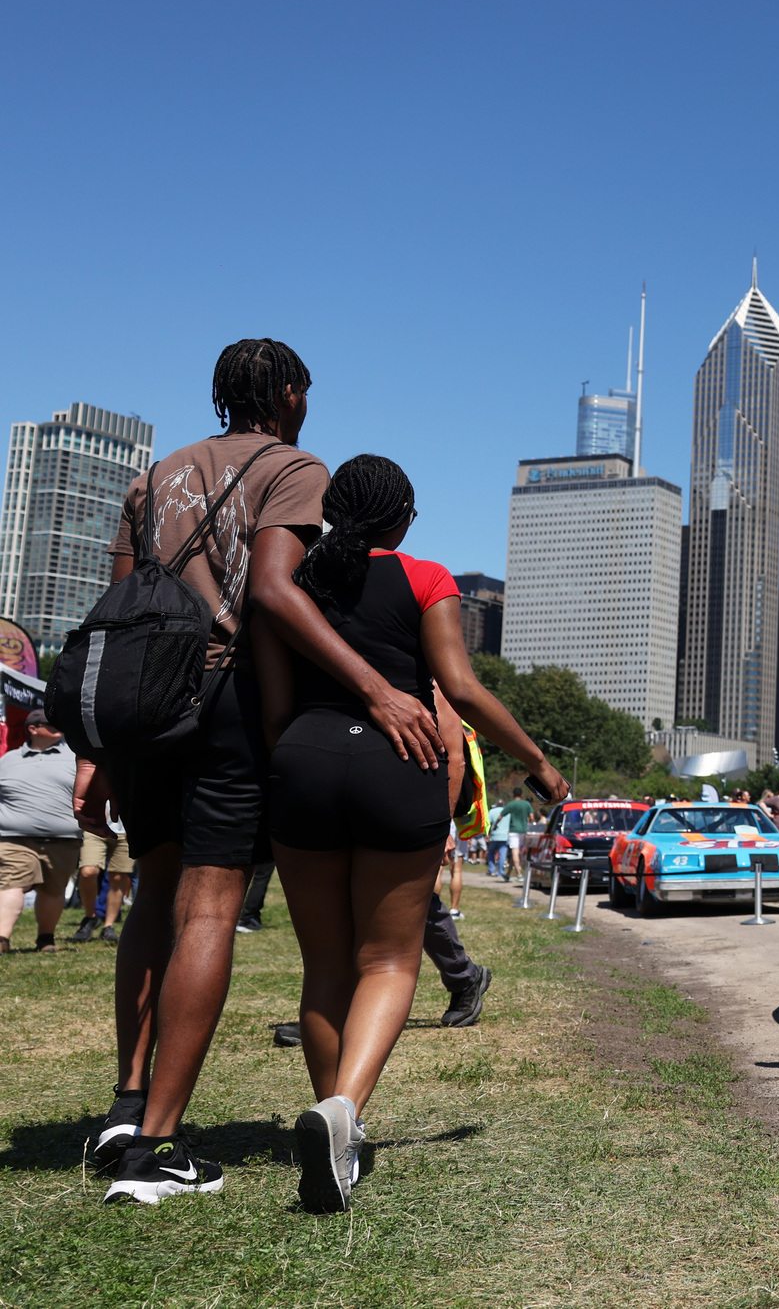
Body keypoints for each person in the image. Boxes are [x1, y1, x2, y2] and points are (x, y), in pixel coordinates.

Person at [90, 341, 445, 1206]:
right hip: (223, 699)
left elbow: (118, 614)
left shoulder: (155, 476)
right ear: (289, 394)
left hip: (143, 711)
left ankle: (126, 1105)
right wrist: (378, 690)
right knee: (210, 904)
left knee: (151, 898)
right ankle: (159, 1145)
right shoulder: (293, 469)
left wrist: (100, 750)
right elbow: (277, 592)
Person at [254, 454, 567, 1214]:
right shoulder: (428, 577)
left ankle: (333, 1129)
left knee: (324, 966)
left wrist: (292, 764)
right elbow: (458, 688)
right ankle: (343, 1116)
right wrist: (537, 764)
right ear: (401, 517)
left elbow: (273, 705)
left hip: (305, 760)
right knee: (390, 962)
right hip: (403, 763)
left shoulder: (293, 584)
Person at [0, 710, 83, 954]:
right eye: (49, 724)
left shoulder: (76, 757)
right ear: (33, 729)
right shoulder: (7, 759)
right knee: (12, 883)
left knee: (53, 889)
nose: (57, 728)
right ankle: (2, 939)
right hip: (14, 839)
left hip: (64, 840)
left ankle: (45, 939)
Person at [73, 814, 134, 944]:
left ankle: (109, 926)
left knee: (118, 877)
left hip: (126, 829)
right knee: (88, 871)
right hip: (95, 827)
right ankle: (90, 917)